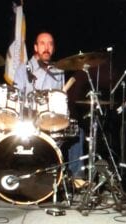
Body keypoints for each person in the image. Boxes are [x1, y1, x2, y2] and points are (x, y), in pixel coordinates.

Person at [13, 31, 85, 179]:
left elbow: (59, 98)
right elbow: (16, 97)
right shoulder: (24, 68)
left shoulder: (58, 70)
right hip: (29, 119)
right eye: (42, 43)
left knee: (77, 131)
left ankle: (76, 178)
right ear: (35, 47)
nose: (47, 47)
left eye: (50, 44)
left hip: (51, 119)